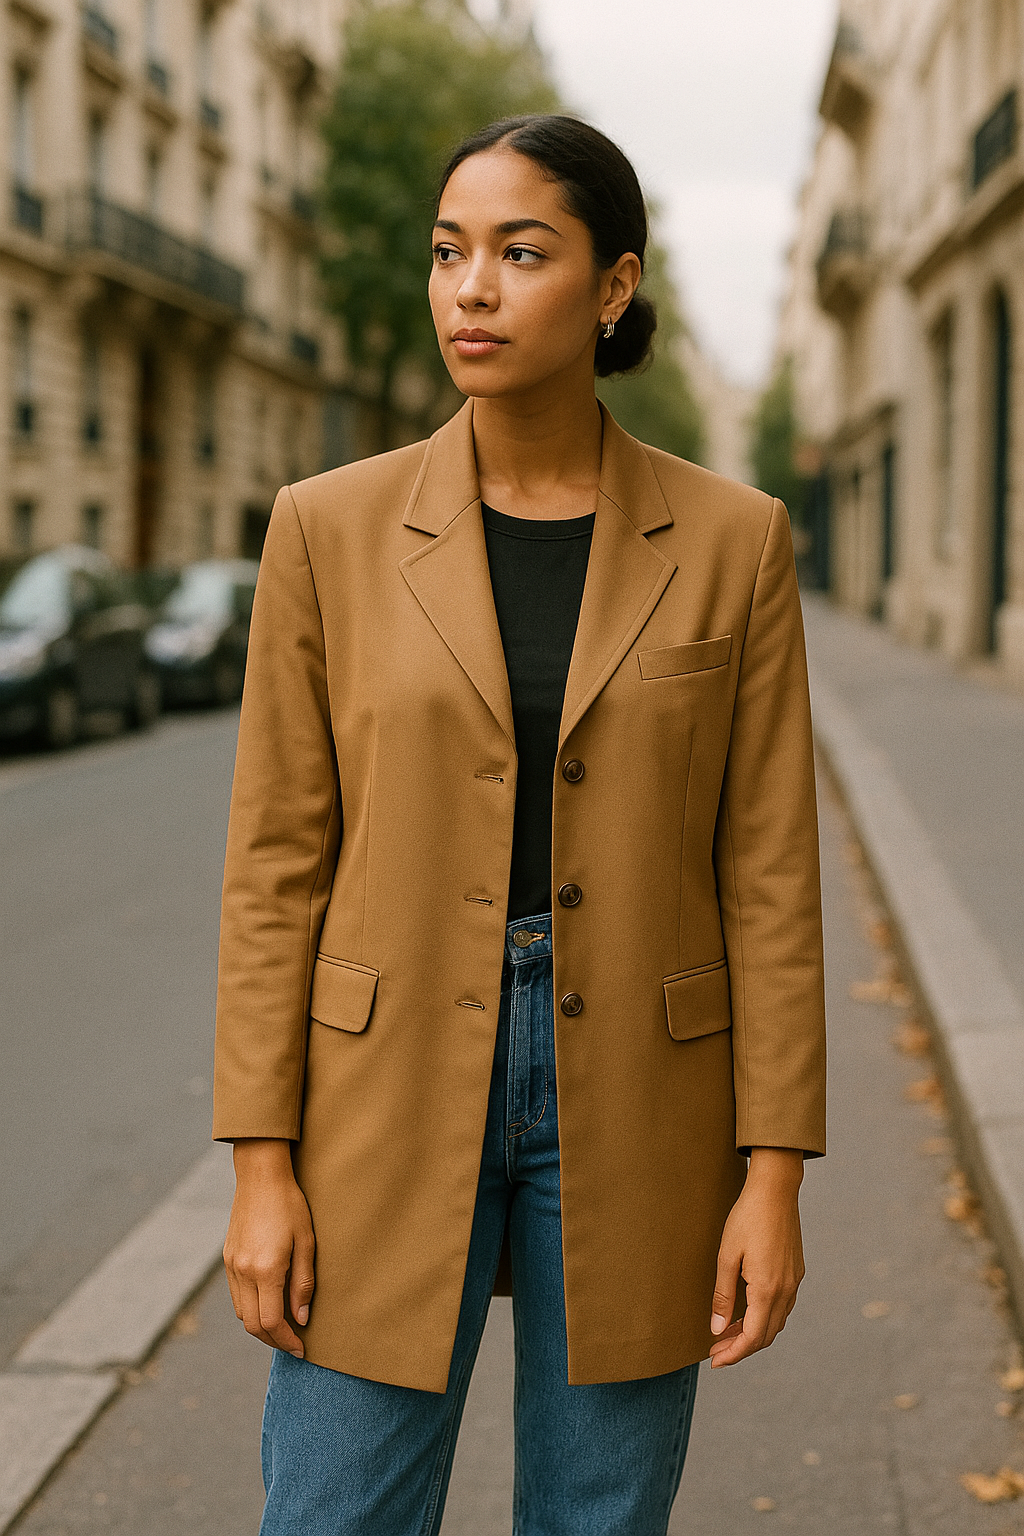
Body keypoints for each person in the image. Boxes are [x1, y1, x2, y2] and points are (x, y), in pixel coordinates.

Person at [213, 113, 827, 1536]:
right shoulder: (326, 528)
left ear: (614, 286)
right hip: (380, 1078)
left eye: (520, 252)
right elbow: (275, 866)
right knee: (333, 1510)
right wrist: (258, 1165)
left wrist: (773, 1175)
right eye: (448, 253)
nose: (471, 289)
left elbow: (768, 875)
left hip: (645, 1090)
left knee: (598, 1520)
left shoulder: (733, 540)